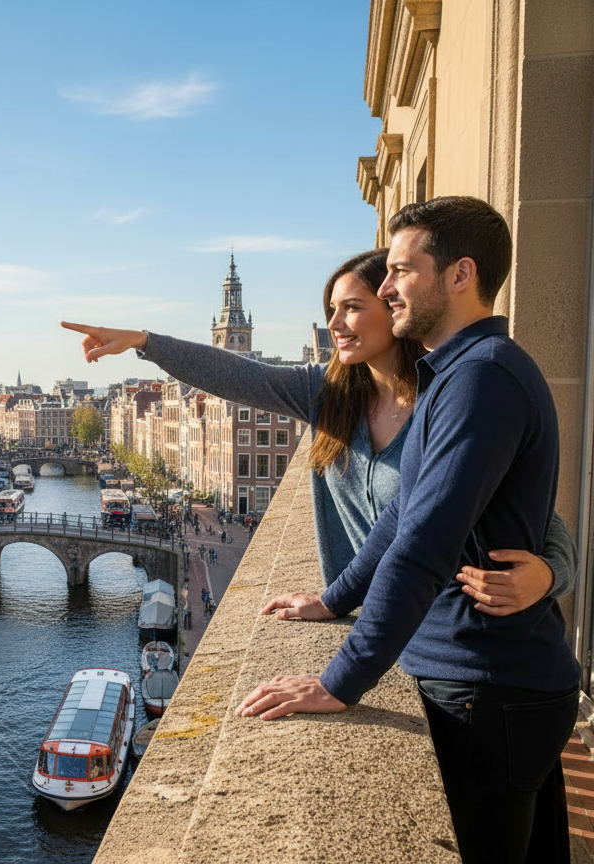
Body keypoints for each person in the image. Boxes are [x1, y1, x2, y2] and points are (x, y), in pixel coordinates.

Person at [233, 197, 579, 863]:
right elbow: (399, 517)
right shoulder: (454, 373)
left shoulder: (483, 379)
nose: (386, 286)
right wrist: (335, 598)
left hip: (488, 687)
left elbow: (424, 542)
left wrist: (340, 680)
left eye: (401, 270)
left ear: (460, 275)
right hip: (485, 682)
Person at [61, 245, 574, 610]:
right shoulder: (327, 394)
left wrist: (552, 574)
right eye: (331, 310)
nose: (334, 324)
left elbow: (529, 509)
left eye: (352, 307)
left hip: (455, 636)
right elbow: (238, 375)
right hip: (379, 627)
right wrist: (144, 341)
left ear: (395, 310)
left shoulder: (449, 397)